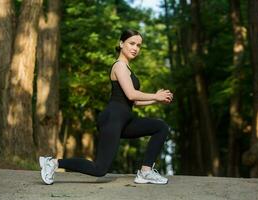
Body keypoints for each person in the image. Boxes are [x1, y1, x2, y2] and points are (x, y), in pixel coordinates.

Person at [39, 29, 173, 185]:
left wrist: (156, 100)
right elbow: (131, 94)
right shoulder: (119, 66)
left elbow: (134, 101)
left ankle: (146, 172)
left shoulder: (128, 69)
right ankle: (53, 163)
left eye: (138, 45)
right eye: (131, 43)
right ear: (121, 43)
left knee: (160, 127)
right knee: (99, 169)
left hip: (125, 120)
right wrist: (155, 96)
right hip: (113, 119)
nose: (135, 48)